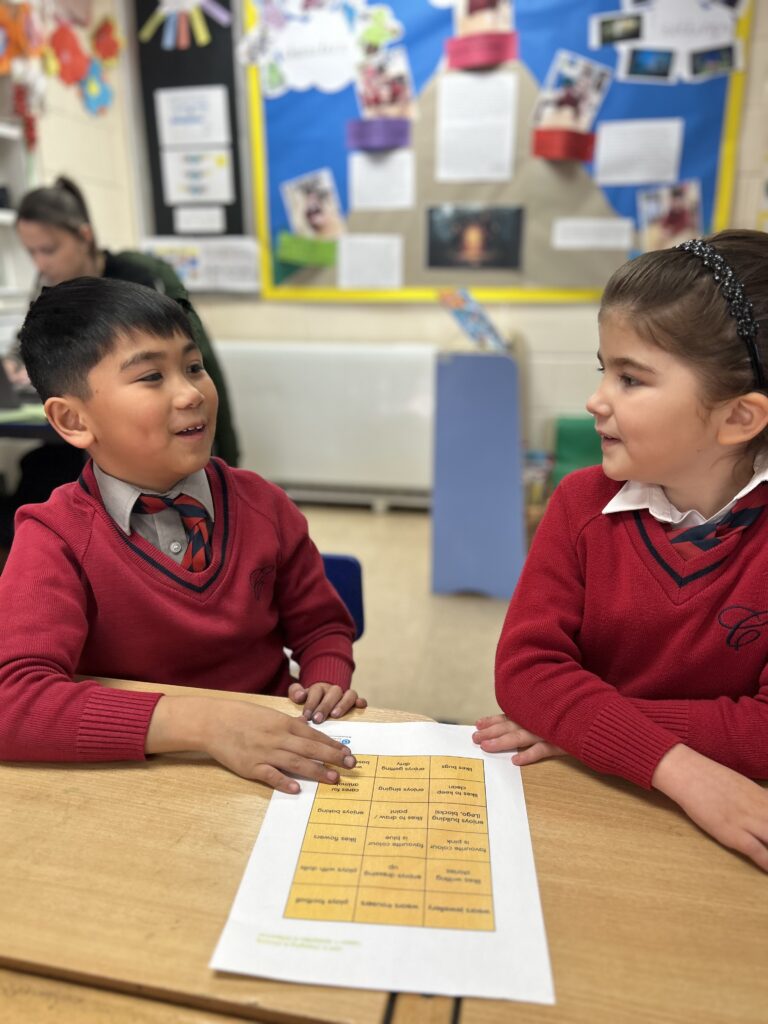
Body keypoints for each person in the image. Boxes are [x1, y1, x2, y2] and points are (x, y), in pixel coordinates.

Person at [474, 229, 768, 871]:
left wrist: (582, 726)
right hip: (589, 798)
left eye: (632, 379)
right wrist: (682, 769)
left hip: (726, 827)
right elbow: (527, 674)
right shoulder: (580, 503)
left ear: (739, 419)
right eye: (603, 368)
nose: (596, 399)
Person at [0, 277, 366, 791]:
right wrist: (205, 723)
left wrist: (327, 675)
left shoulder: (264, 505)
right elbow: (12, 704)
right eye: (152, 376)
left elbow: (322, 624)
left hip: (274, 760)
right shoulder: (54, 538)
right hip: (143, 776)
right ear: (73, 420)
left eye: (193, 367)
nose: (191, 392)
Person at [0, 177, 240, 553]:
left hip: (157, 461)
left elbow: (200, 366)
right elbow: (27, 344)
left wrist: (227, 458)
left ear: (84, 235)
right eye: (32, 253)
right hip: (95, 458)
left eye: (49, 250)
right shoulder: (51, 292)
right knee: (36, 475)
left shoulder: (140, 282)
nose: (41, 264)